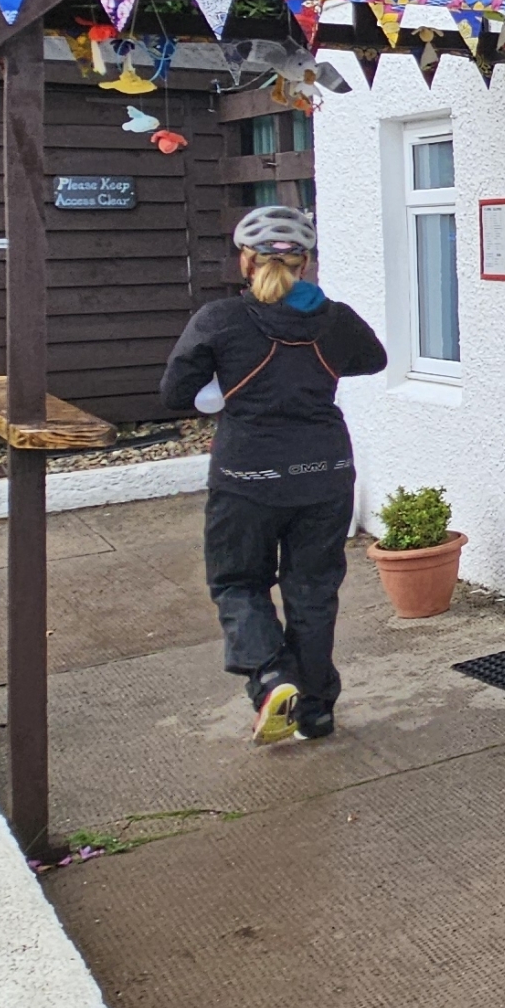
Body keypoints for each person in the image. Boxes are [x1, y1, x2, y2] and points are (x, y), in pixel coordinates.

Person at [161, 205, 386, 745]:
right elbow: (372, 360)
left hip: (248, 476)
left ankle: (270, 677)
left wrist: (218, 388)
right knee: (312, 590)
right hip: (326, 472)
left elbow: (174, 394)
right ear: (306, 263)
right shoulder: (336, 319)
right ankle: (315, 710)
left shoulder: (220, 320)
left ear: (246, 259)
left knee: (238, 582)